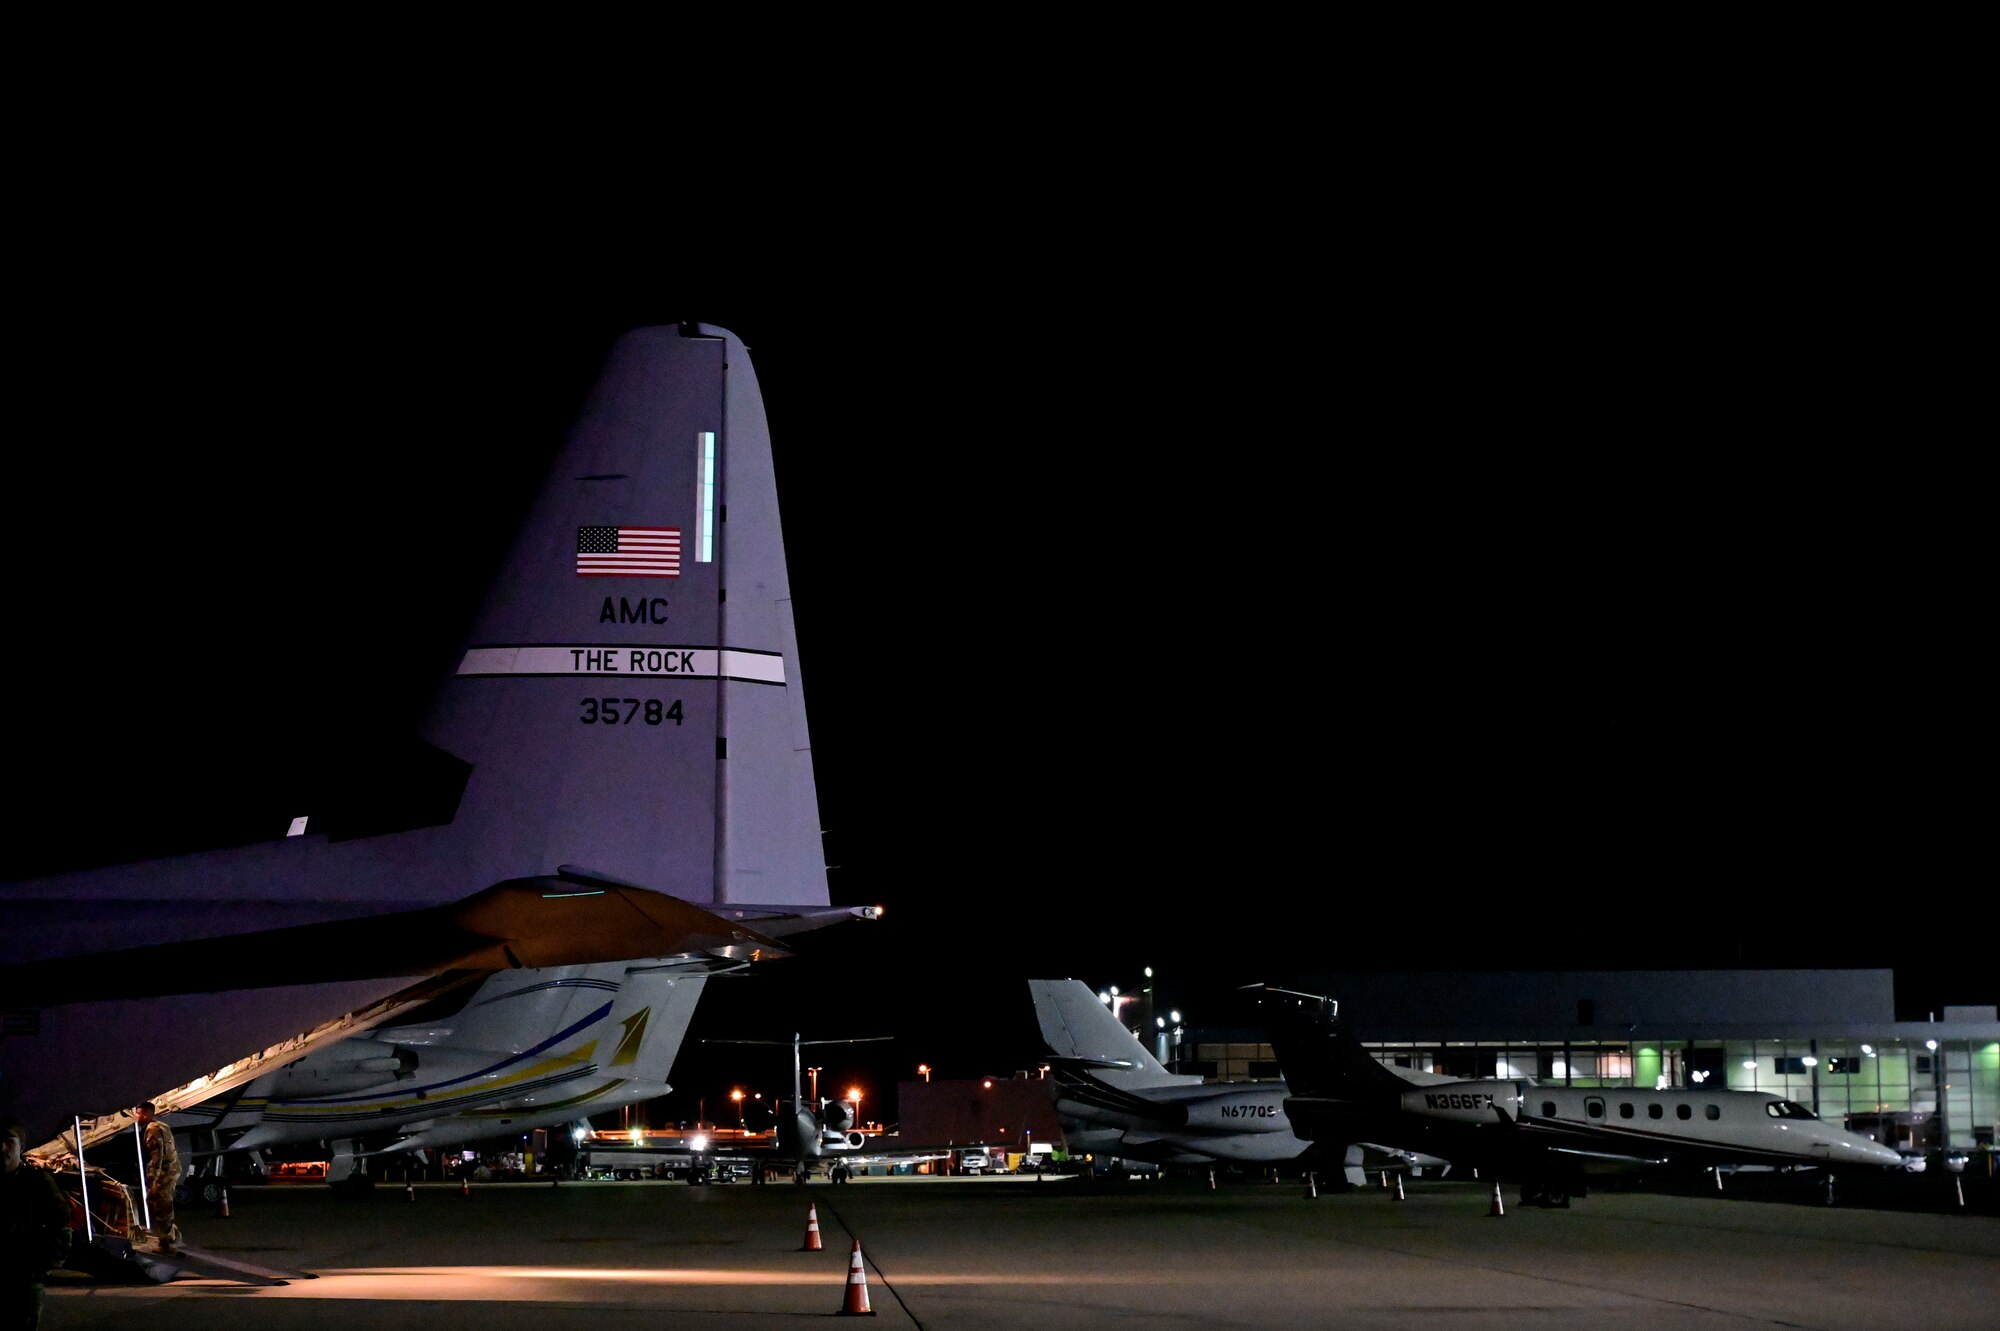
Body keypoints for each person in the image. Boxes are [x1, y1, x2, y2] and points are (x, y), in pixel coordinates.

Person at [1, 1118, 72, 1330]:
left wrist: (43, 1266)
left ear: (20, 1147)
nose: (1, 1148)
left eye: (8, 1142)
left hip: (23, 1278)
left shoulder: (37, 1182)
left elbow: (60, 1223)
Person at [132, 1102, 181, 1253]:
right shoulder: (162, 1126)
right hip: (173, 1170)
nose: (136, 1117)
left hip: (164, 1174)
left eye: (138, 1113)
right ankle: (173, 1236)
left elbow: (157, 1156)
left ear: (145, 1114)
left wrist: (152, 1178)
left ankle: (166, 1245)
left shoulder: (151, 1130)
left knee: (160, 1206)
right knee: (166, 1204)